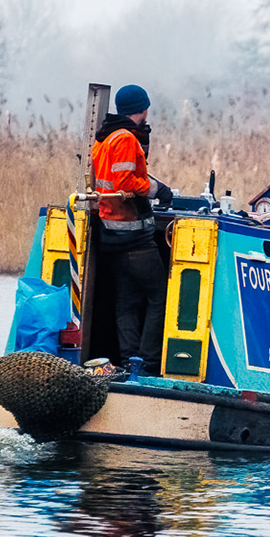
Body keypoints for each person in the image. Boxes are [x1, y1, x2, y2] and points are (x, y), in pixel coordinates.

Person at [91, 84, 174, 375]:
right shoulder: (126, 138)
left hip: (110, 233)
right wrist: (157, 189)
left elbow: (109, 181)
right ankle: (148, 364)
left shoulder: (104, 138)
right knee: (159, 296)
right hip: (134, 235)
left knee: (126, 301)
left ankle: (128, 362)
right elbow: (126, 182)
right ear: (144, 107)